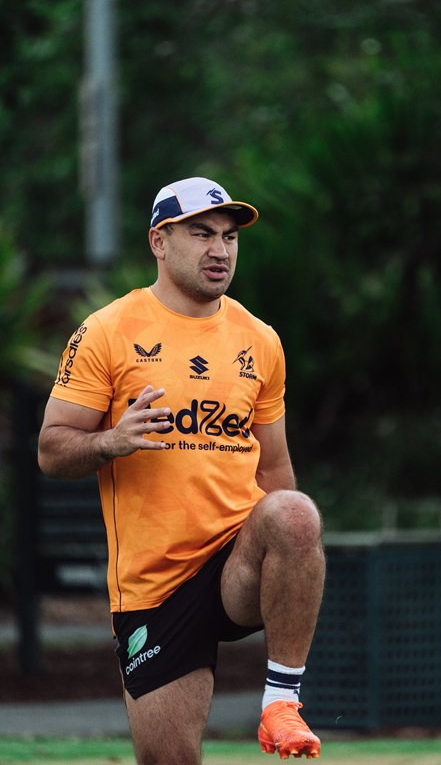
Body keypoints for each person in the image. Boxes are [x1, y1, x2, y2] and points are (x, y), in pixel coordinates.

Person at [38, 177, 325, 764]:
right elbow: (50, 449)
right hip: (154, 585)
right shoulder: (107, 330)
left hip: (232, 560)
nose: (220, 250)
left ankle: (282, 702)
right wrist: (112, 441)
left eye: (228, 236)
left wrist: (291, 562)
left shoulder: (260, 340)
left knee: (295, 513)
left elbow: (275, 468)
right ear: (159, 242)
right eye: (201, 234)